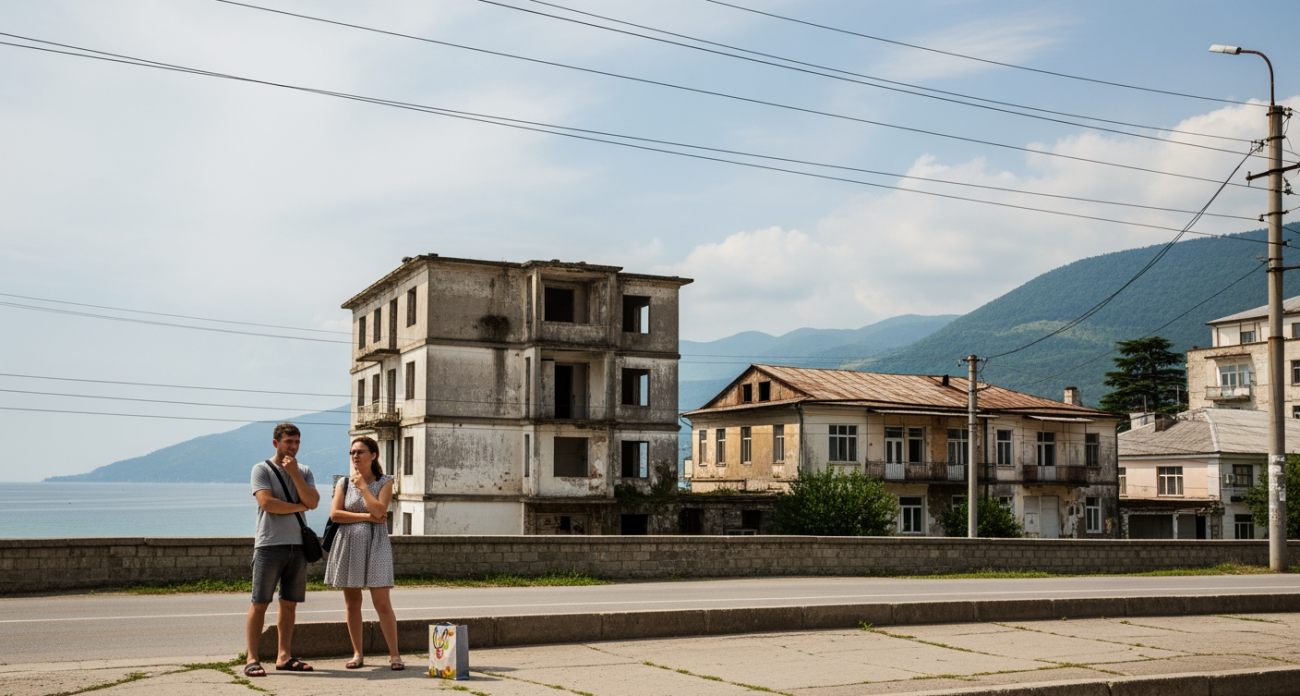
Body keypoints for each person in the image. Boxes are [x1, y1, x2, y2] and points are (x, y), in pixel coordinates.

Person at [244, 422, 320, 678]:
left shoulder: (304, 471)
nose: (293, 447)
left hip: (298, 547)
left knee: (289, 604)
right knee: (259, 603)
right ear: (276, 443)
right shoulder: (261, 469)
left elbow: (313, 501)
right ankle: (252, 658)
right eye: (289, 442)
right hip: (269, 545)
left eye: (297, 442)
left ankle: (284, 656)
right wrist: (299, 506)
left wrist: (295, 474)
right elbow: (267, 503)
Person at [325, 436, 402, 670]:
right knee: (352, 603)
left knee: (382, 603)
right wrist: (367, 517)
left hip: (376, 545)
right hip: (348, 544)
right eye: (352, 452)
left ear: (373, 455)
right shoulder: (343, 483)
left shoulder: (385, 481)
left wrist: (363, 488)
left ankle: (395, 655)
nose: (355, 456)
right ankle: (357, 654)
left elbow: (380, 510)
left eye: (360, 452)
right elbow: (336, 515)